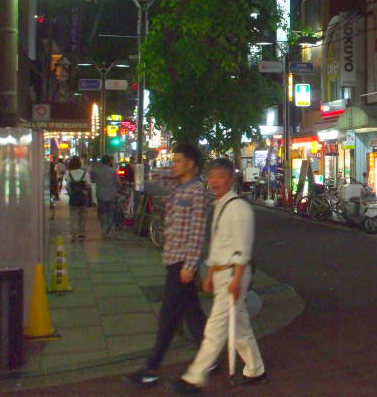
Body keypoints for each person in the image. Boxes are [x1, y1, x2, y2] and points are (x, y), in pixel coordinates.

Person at [171, 158, 267, 394]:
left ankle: (194, 377)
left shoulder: (238, 208)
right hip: (223, 273)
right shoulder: (220, 205)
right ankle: (256, 369)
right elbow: (218, 246)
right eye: (212, 176)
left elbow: (242, 249)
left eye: (220, 176)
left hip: (234, 274)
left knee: (215, 327)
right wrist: (210, 273)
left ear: (231, 180)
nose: (215, 181)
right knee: (239, 325)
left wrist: (235, 281)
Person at [125, 143, 209, 388]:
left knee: (168, 317)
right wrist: (172, 168)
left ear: (191, 164)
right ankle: (210, 357)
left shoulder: (197, 192)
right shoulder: (177, 185)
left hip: (182, 262)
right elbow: (152, 177)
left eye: (179, 161)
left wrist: (191, 265)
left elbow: (197, 233)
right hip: (173, 259)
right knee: (192, 313)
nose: (174, 165)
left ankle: (151, 368)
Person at [92, 155, 121, 236]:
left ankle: (103, 225)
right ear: (109, 162)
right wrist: (117, 189)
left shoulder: (97, 170)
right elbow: (118, 182)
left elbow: (92, 179)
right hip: (111, 194)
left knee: (101, 211)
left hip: (100, 194)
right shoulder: (113, 171)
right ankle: (108, 226)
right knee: (110, 211)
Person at [65, 156, 91, 242]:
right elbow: (88, 185)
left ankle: (73, 234)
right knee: (83, 216)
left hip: (73, 197)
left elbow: (67, 186)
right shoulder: (85, 173)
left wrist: (70, 193)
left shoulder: (68, 174)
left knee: (73, 216)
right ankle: (82, 233)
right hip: (83, 197)